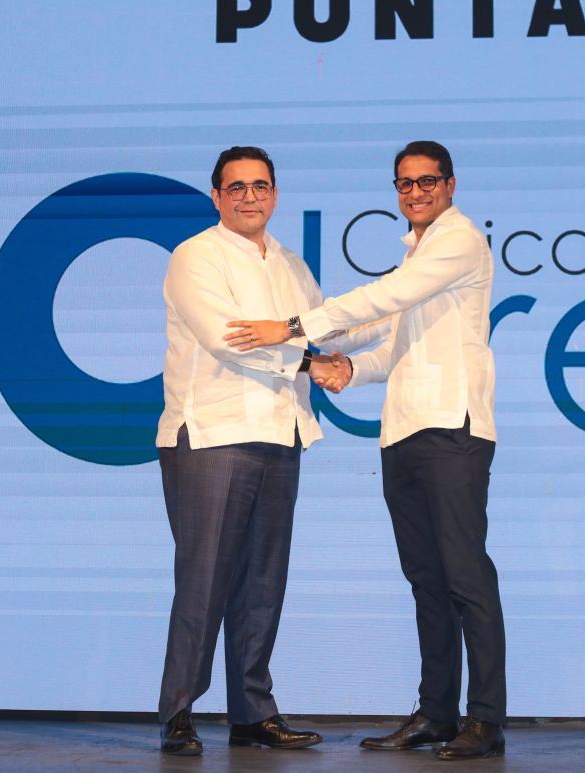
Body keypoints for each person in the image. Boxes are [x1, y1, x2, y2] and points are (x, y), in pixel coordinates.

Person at [224, 140, 507, 760]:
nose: (416, 192)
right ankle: (437, 713)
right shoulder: (419, 253)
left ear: (451, 186)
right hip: (404, 433)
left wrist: (294, 328)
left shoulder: (460, 241)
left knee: (465, 576)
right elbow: (390, 337)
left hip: (453, 431)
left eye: (428, 181)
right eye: (405, 183)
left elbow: (383, 300)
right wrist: (346, 368)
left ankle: (485, 720)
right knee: (426, 580)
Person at [156, 145, 379, 755]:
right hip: (212, 434)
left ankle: (252, 712)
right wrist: (310, 362)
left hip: (281, 434)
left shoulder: (290, 265)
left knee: (262, 582)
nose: (249, 197)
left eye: (260, 186)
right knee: (204, 578)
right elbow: (229, 340)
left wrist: (399, 308)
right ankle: (178, 712)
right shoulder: (195, 256)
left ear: (275, 195)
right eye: (237, 187)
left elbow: (328, 325)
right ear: (217, 197)